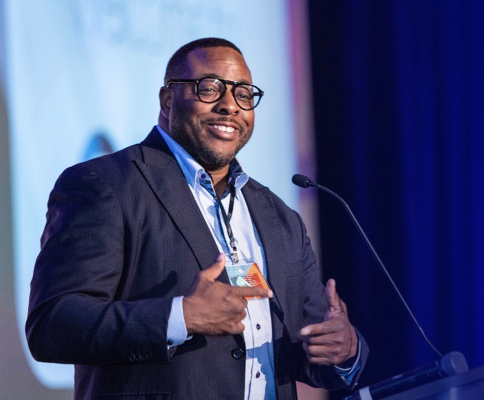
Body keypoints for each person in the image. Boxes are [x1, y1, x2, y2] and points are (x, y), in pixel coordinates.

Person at [26, 37, 368, 400]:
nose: (229, 105)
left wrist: (343, 350)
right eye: (209, 88)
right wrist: (180, 317)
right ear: (167, 100)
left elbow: (309, 345)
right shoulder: (107, 184)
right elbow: (52, 326)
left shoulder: (280, 217)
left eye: (244, 94)